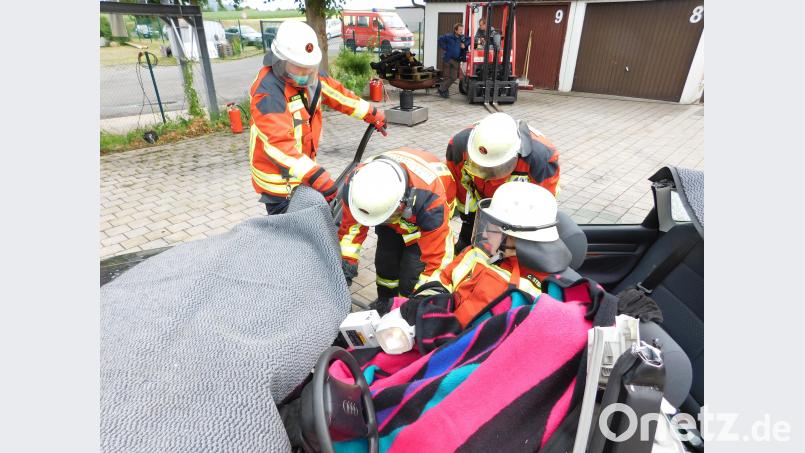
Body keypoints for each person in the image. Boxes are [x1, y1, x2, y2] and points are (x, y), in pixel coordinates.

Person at [249, 20, 387, 215]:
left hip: (301, 172)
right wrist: (316, 176)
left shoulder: (310, 77)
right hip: (279, 184)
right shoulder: (269, 92)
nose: (306, 74)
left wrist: (371, 113)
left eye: (310, 67)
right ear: (280, 60)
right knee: (290, 234)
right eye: (299, 67)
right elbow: (278, 145)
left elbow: (339, 95)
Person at [438, 182, 572, 326]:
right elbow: (444, 279)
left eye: (493, 229)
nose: (484, 233)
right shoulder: (479, 253)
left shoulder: (539, 290)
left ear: (516, 239)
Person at [338, 148, 456, 308]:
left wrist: (421, 299)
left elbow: (438, 259)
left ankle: (402, 307)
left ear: (403, 202)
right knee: (385, 262)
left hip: (422, 227)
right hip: (395, 214)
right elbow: (350, 231)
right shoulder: (357, 185)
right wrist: (345, 265)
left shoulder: (430, 199)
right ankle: (384, 301)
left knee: (412, 274)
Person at [446, 112, 561, 253]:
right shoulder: (458, 146)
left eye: (495, 168)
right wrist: (468, 219)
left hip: (519, 216)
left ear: (515, 154)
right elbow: (458, 187)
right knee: (465, 250)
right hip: (478, 209)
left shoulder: (542, 158)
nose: (489, 174)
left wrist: (518, 234)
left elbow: (541, 205)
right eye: (482, 167)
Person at [436, 23, 469, 99]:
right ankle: (444, 91)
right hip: (447, 59)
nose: (461, 31)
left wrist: (464, 45)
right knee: (446, 77)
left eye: (462, 29)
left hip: (456, 60)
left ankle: (441, 89)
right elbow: (439, 39)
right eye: (460, 30)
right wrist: (445, 47)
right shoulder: (449, 36)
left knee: (454, 77)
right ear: (455, 30)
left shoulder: (462, 38)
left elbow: (470, 39)